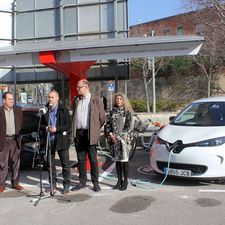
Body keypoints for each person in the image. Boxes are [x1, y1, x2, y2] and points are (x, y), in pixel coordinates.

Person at [71, 79, 105, 192]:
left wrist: (95, 129)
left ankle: (95, 182)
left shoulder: (96, 100)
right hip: (79, 133)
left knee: (93, 159)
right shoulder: (76, 100)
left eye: (79, 87)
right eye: (77, 87)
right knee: (81, 160)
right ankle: (82, 182)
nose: (77, 89)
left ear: (86, 87)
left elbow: (102, 118)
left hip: (90, 133)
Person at [40, 90, 71, 195]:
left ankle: (66, 185)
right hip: (49, 141)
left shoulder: (63, 109)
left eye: (52, 97)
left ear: (57, 98)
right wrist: (46, 128)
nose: (50, 99)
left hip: (61, 140)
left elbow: (68, 125)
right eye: (49, 97)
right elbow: (40, 125)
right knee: (50, 164)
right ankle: (52, 184)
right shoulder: (45, 109)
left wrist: (56, 129)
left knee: (65, 164)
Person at [104, 93, 134, 191]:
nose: (119, 101)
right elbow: (107, 125)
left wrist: (119, 136)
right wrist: (111, 135)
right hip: (113, 140)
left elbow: (128, 127)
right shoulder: (112, 112)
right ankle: (119, 180)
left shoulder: (127, 112)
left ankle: (125, 181)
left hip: (124, 140)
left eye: (120, 99)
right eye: (117, 99)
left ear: (123, 100)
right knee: (117, 161)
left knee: (124, 161)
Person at [0, 91, 23, 193]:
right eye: (9, 99)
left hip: (15, 140)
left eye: (12, 99)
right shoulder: (0, 111)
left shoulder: (18, 110)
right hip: (3, 140)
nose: (12, 101)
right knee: (2, 164)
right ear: (4, 100)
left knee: (16, 163)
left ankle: (15, 183)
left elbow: (21, 124)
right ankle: (1, 185)